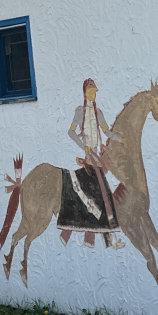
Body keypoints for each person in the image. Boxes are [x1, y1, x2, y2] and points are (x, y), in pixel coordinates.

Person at [62, 77, 124, 249]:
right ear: (85, 93)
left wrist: (121, 139)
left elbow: (107, 132)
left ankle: (101, 237)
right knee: (102, 193)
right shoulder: (80, 111)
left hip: (97, 156)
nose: (92, 95)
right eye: (90, 92)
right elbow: (71, 131)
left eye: (94, 92)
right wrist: (84, 146)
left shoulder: (99, 113)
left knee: (99, 196)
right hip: (89, 157)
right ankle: (107, 237)